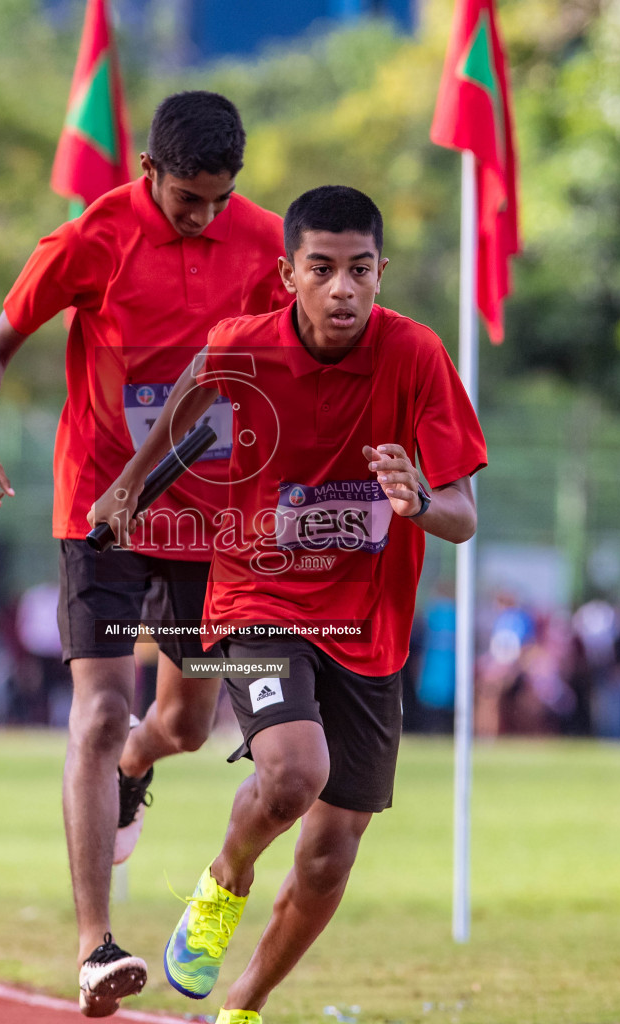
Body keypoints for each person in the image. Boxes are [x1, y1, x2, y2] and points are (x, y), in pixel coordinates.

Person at [90, 186, 487, 1024]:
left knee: (328, 857)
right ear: (289, 274)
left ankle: (244, 1006)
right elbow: (191, 394)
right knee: (295, 775)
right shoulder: (244, 345)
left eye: (360, 270)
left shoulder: (416, 356)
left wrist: (418, 499)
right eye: (323, 269)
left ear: (382, 272)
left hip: (367, 629)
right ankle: (225, 878)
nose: (343, 288)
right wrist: (128, 485)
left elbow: (464, 515)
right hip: (258, 598)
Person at [0, 91, 287, 1016]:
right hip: (98, 508)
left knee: (181, 727)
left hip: (203, 515)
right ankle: (96, 944)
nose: (205, 215)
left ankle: (135, 772)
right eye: (189, 198)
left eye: (220, 198)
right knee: (99, 714)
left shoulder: (264, 245)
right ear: (149, 171)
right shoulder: (88, 240)